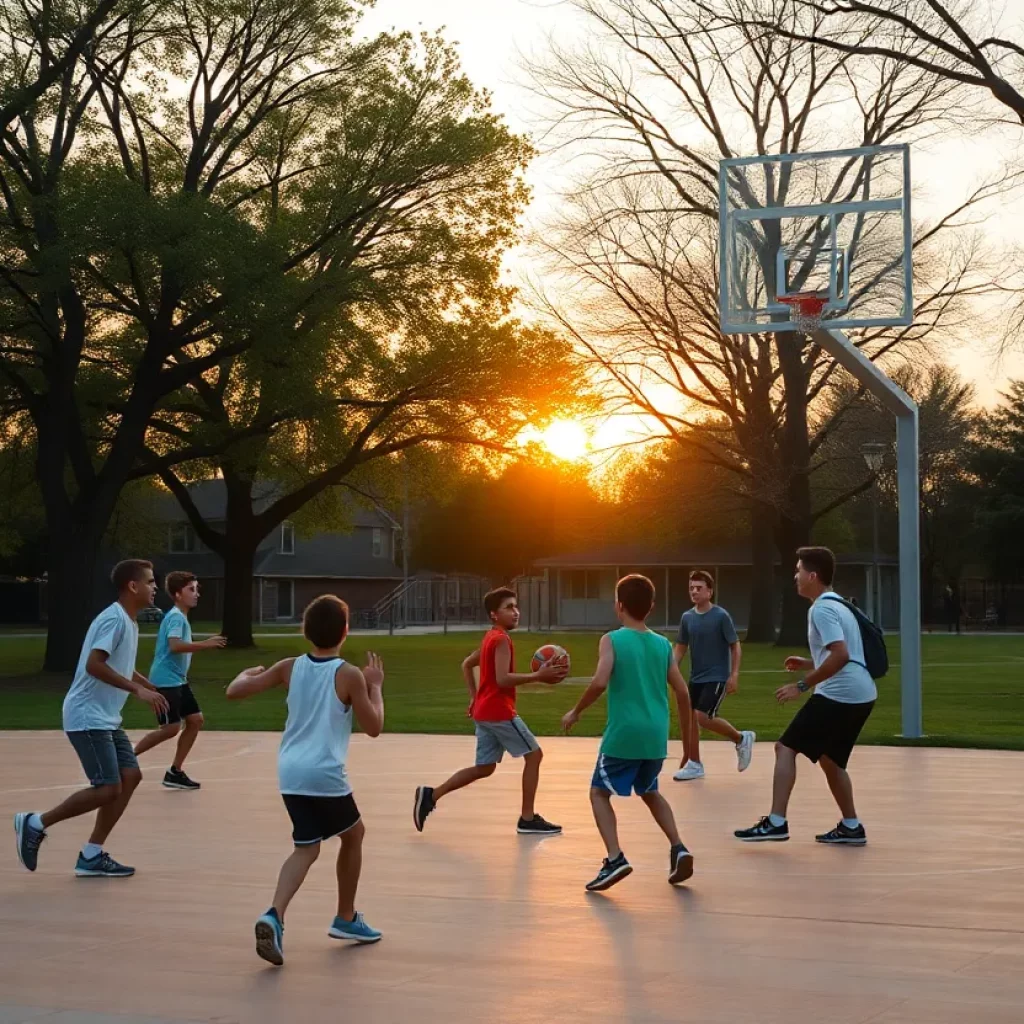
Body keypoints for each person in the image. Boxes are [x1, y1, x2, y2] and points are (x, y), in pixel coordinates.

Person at [226, 594, 385, 966]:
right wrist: (375, 685)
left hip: (290, 772)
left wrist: (245, 674)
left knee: (307, 847)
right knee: (354, 835)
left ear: (306, 630)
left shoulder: (289, 667)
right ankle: (345, 918)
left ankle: (274, 915)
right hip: (324, 772)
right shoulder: (349, 674)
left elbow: (234, 691)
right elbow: (374, 726)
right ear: (345, 631)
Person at [14, 559, 170, 878]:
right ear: (133, 586)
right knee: (107, 788)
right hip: (87, 716)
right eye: (151, 581)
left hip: (105, 717)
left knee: (130, 776)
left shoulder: (129, 620)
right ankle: (35, 823)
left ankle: (91, 855)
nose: (156, 587)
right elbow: (94, 665)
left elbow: (117, 661)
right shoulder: (113, 619)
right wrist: (137, 691)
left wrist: (143, 682)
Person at [562, 574, 696, 892]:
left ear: (618, 606)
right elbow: (682, 692)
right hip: (655, 735)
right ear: (650, 607)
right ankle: (679, 847)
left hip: (625, 734)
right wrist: (688, 742)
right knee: (649, 791)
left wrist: (576, 711)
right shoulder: (663, 645)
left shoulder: (612, 640)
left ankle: (615, 858)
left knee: (599, 792)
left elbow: (598, 681)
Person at [734, 547, 876, 846]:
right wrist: (811, 661)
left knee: (785, 747)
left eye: (798, 570)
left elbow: (840, 655)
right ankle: (851, 826)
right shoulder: (839, 605)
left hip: (840, 692)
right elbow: (844, 653)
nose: (795, 576)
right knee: (831, 759)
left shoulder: (821, 609)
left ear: (813, 576)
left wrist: (801, 685)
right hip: (862, 693)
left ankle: (776, 821)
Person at [413, 587, 567, 836]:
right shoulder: (501, 640)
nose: (515, 612)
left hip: (484, 712)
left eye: (516, 606)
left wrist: (475, 698)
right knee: (534, 756)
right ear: (494, 614)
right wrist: (538, 675)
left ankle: (431, 795)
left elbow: (466, 664)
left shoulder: (490, 638)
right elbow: (503, 679)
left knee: (485, 768)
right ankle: (527, 819)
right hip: (498, 712)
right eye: (509, 607)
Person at [132, 571, 226, 789]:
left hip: (178, 680)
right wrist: (206, 644)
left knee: (195, 720)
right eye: (191, 589)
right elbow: (175, 645)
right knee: (170, 728)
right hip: (166, 680)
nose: (196, 594)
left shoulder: (180, 616)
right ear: (177, 594)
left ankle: (175, 772)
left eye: (197, 589)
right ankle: (126, 758)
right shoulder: (175, 617)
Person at [672, 570, 755, 781]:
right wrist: (670, 669)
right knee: (692, 720)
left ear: (710, 591)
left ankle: (741, 738)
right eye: (691, 588)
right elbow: (681, 647)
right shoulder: (687, 617)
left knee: (703, 716)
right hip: (696, 677)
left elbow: (735, 646)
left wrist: (734, 674)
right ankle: (694, 764)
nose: (694, 591)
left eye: (699, 588)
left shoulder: (720, 616)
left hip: (717, 676)